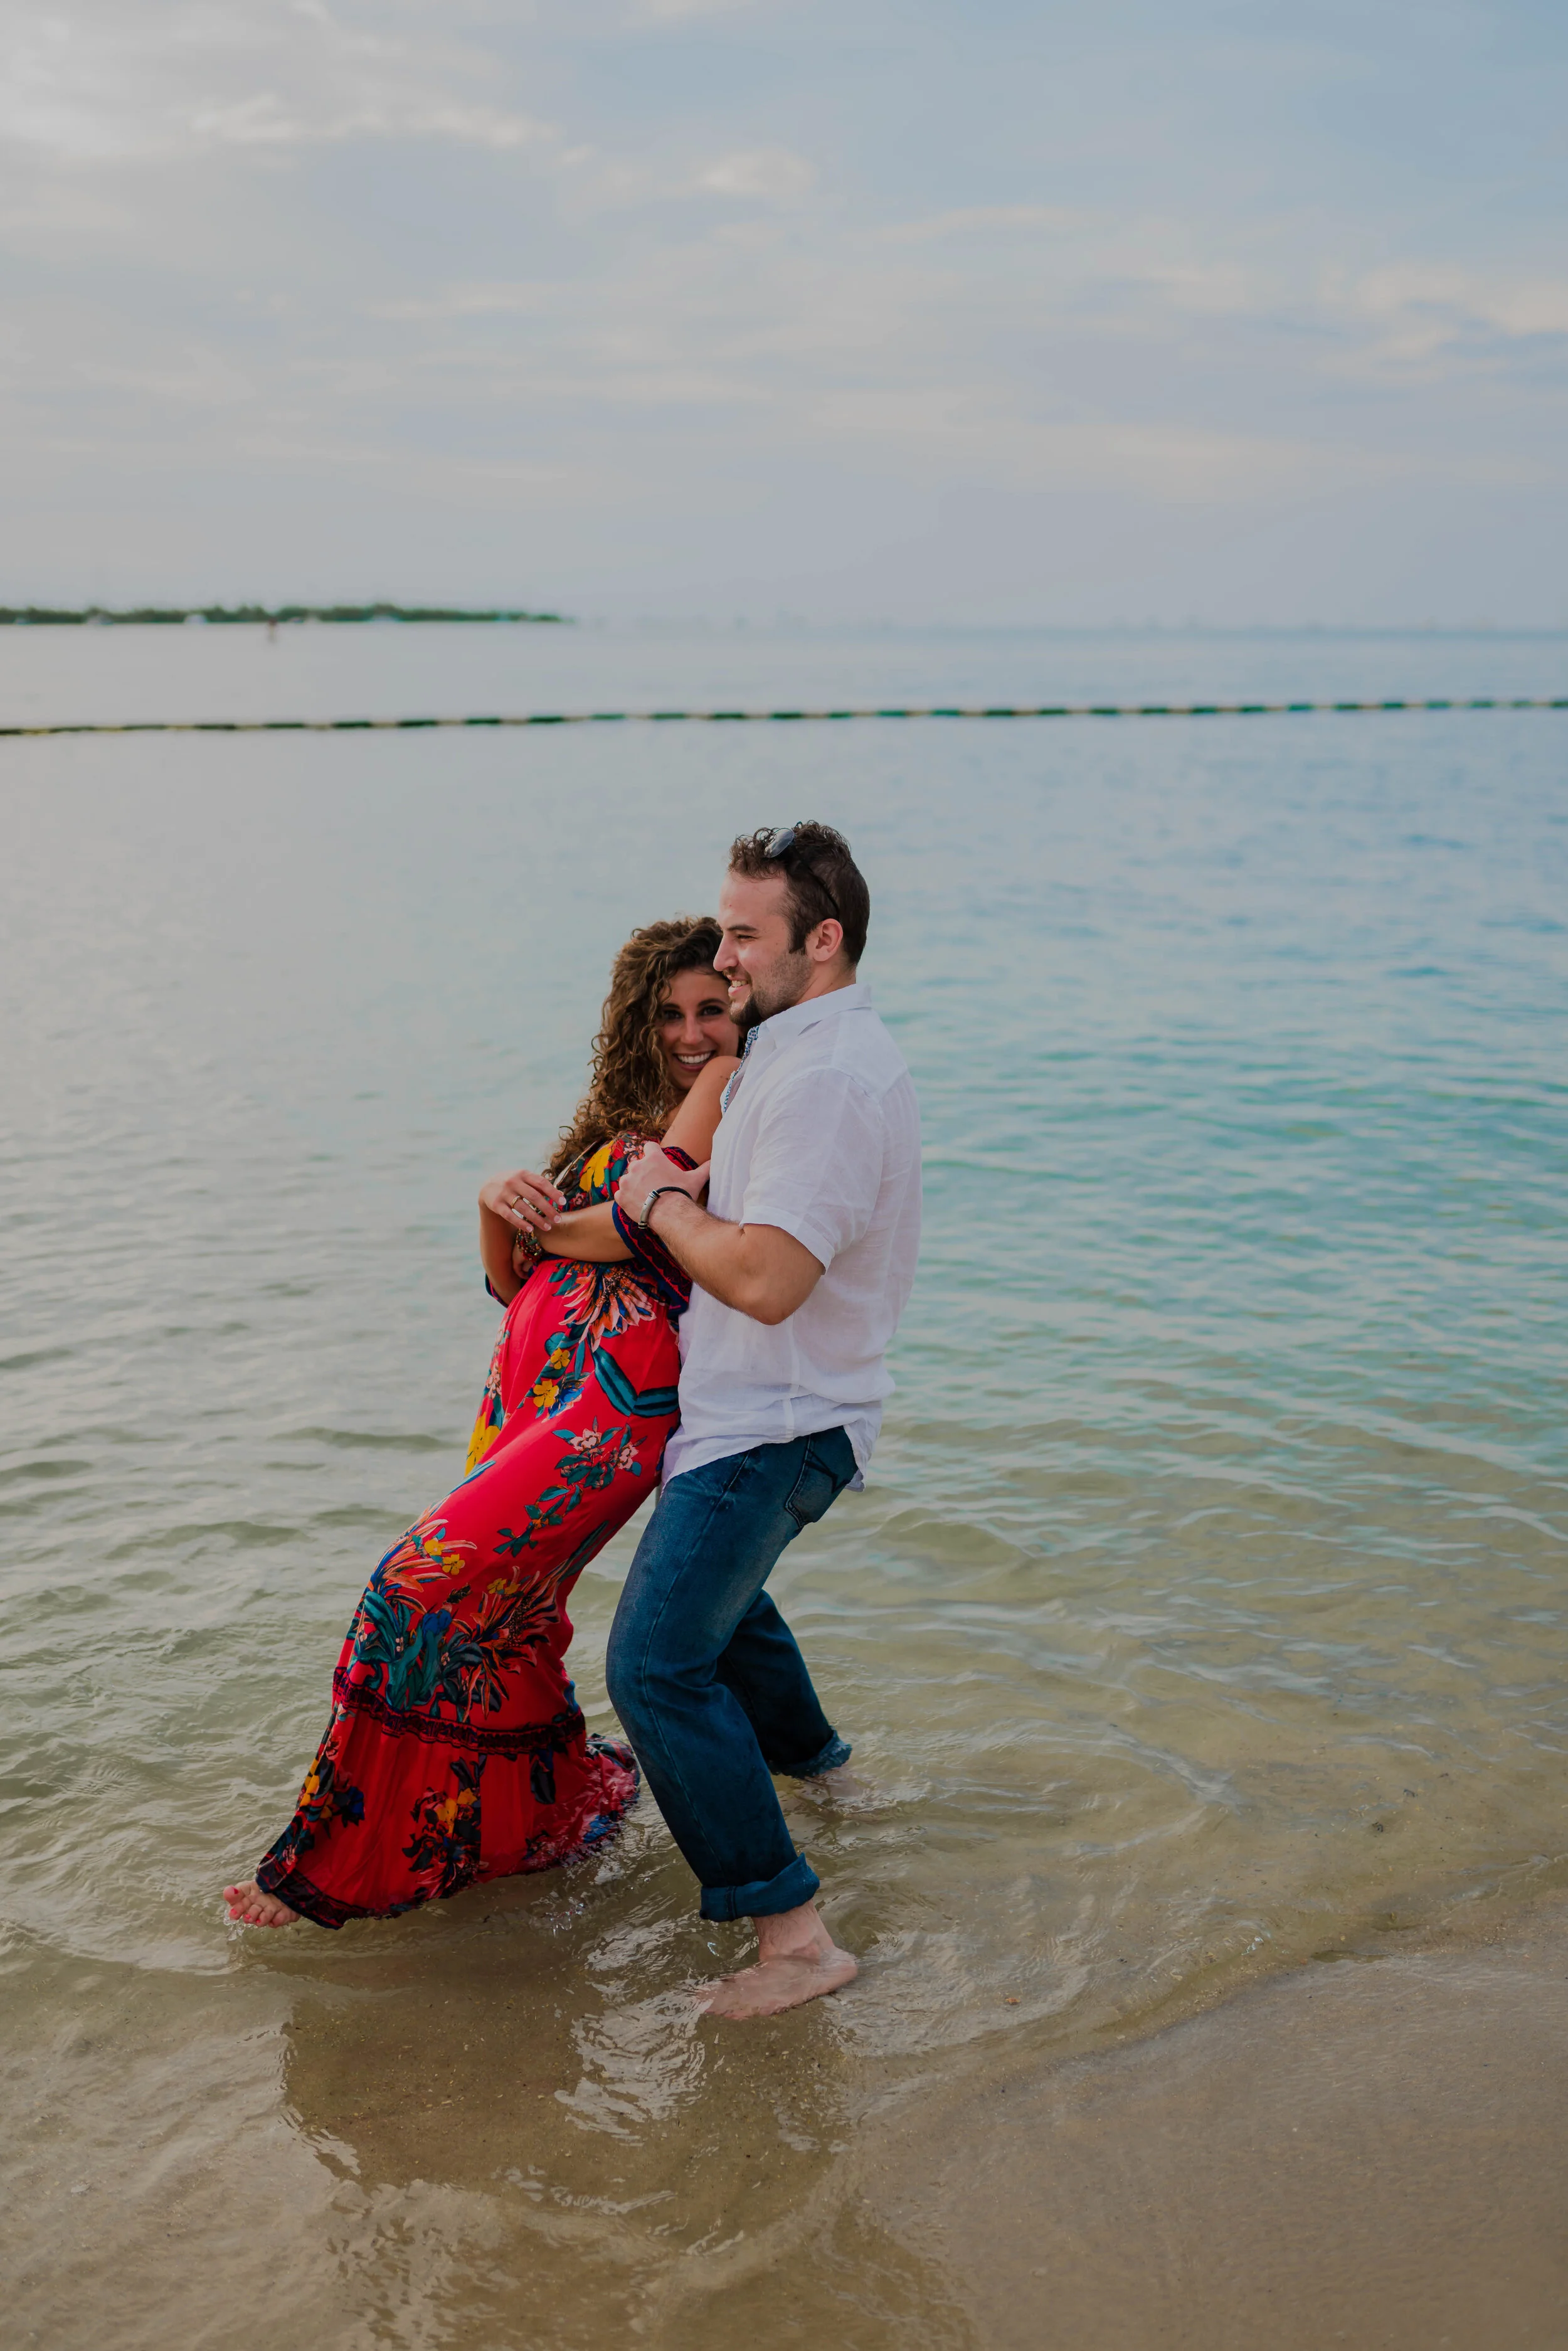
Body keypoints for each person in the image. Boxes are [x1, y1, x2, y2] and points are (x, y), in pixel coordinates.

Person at [223, 919, 740, 1928]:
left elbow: (640, 1228)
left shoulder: (728, 1092)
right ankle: (526, 1834)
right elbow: (517, 1282)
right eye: (669, 1012)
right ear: (635, 1019)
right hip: (532, 1393)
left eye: (710, 1008)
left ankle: (337, 1863)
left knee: (412, 1585)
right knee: (506, 1622)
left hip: (610, 1408)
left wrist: (534, 1217)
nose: (690, 1032)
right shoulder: (615, 1117)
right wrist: (488, 1201)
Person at [608, 823, 921, 2019]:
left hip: (778, 1424)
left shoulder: (830, 1080)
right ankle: (829, 1775)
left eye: (746, 934)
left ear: (823, 940)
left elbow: (768, 1278)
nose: (725, 957)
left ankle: (796, 1940)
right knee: (724, 1623)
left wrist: (664, 1203)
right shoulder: (787, 1056)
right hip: (758, 1410)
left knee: (652, 1666)